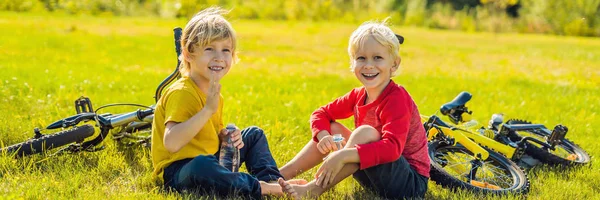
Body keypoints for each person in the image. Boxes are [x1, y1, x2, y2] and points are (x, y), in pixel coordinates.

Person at [151, 7, 296, 199]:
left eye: (226, 50)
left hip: (211, 159)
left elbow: (210, 137)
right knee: (202, 165)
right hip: (180, 171)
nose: (219, 57)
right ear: (188, 54)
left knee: (254, 135)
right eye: (209, 49)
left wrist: (228, 137)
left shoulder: (214, 94)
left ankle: (272, 182)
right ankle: (259, 187)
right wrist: (207, 110)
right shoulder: (182, 92)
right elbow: (171, 142)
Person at [278, 19, 430, 199]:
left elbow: (392, 149)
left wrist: (342, 156)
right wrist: (323, 136)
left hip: (409, 184)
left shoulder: (397, 98)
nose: (368, 65)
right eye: (361, 58)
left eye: (378, 58)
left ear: (394, 64)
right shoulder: (358, 95)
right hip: (373, 174)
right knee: (333, 128)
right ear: (353, 63)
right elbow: (321, 114)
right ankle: (275, 176)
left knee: (365, 133)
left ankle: (313, 190)